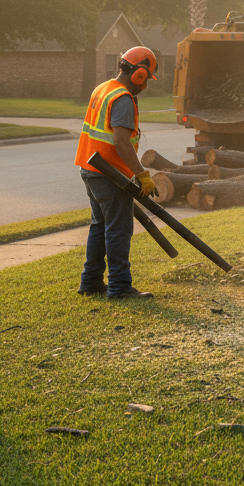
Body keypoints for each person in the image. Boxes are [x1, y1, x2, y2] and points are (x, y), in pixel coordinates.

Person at [74, 47, 159, 298]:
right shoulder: (122, 99)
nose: (145, 86)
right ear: (139, 75)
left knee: (100, 226)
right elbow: (121, 142)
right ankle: (120, 287)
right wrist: (142, 174)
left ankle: (90, 282)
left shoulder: (103, 88)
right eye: (146, 79)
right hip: (110, 175)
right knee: (118, 230)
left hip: (90, 169)